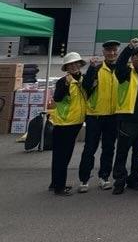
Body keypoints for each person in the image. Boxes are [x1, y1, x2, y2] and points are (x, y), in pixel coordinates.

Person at [112, 39, 138, 194]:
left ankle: (133, 178)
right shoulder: (125, 72)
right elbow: (119, 64)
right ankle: (119, 180)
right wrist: (129, 48)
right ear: (132, 58)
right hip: (127, 119)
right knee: (122, 152)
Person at [78, 39, 119, 192]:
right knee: (90, 148)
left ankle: (104, 177)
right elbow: (86, 86)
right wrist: (91, 69)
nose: (112, 53)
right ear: (103, 52)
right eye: (108, 50)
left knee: (109, 148)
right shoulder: (96, 68)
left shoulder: (120, 69)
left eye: (114, 50)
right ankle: (84, 179)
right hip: (94, 115)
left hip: (113, 115)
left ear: (118, 52)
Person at [49, 52, 88, 196]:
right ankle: (59, 187)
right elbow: (57, 98)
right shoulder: (63, 81)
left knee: (63, 155)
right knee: (62, 156)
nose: (74, 66)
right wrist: (65, 85)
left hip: (76, 122)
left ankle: (55, 183)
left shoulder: (82, 80)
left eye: (76, 63)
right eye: (70, 64)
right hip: (64, 124)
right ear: (66, 67)